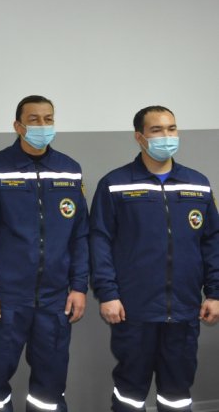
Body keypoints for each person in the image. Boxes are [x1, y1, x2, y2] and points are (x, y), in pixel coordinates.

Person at [90, 105, 219, 411]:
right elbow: (99, 241)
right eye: (157, 130)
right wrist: (108, 294)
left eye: (171, 128)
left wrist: (215, 293)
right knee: (130, 392)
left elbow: (212, 241)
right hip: (134, 311)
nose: (167, 136)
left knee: (177, 392)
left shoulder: (197, 183)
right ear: (140, 137)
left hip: (184, 310)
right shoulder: (115, 184)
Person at [0, 95, 89, 411]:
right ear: (18, 125)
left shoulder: (69, 170)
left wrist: (79, 286)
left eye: (48, 119)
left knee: (50, 389)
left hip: (55, 300)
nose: (42, 125)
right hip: (5, 299)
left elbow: (80, 234)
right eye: (34, 119)